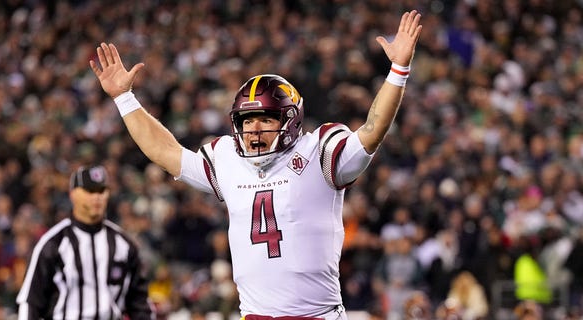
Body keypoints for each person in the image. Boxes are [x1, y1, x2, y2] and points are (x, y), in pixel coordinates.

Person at [90, 9, 422, 320]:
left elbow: (372, 131)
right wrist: (124, 98)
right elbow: (165, 152)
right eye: (247, 121)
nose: (253, 130)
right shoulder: (227, 158)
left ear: (290, 120)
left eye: (264, 119)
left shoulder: (319, 151)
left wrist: (398, 71)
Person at [16, 165, 155, 319]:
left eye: (101, 191)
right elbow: (31, 302)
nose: (97, 197)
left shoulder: (124, 245)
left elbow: (140, 303)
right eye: (90, 191)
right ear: (73, 194)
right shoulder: (53, 243)